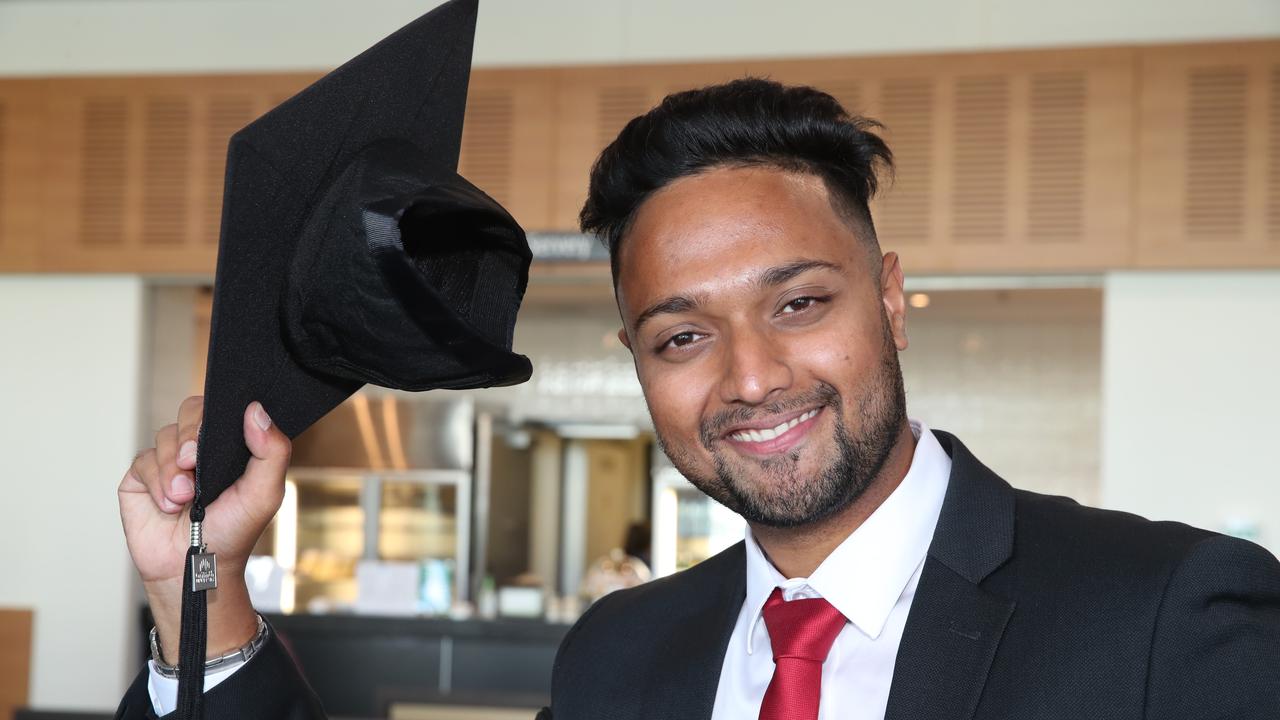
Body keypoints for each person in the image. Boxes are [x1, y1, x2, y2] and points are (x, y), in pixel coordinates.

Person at [115, 78, 1280, 719]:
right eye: (681, 334)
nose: (750, 378)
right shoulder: (622, 657)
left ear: (888, 296)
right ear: (635, 358)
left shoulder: (1163, 620)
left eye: (798, 304)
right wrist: (197, 594)